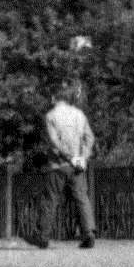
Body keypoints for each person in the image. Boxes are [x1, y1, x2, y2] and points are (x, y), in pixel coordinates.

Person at [33, 83, 97, 249]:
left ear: (54, 98)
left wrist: (69, 157)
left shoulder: (51, 116)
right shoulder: (79, 114)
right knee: (82, 198)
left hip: (58, 164)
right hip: (78, 166)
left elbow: (54, 142)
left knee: (50, 199)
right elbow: (89, 138)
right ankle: (88, 232)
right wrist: (82, 157)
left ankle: (43, 236)